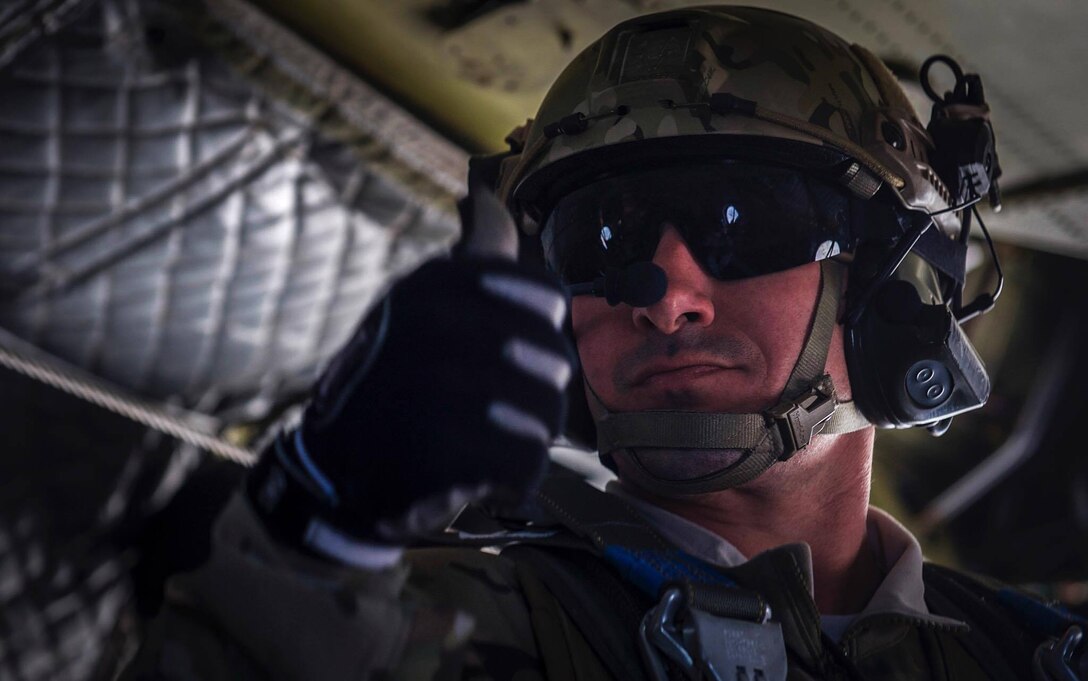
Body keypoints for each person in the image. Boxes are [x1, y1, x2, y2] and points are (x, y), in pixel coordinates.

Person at [124, 6, 1086, 680]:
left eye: (739, 222)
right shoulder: (439, 629)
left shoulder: (1032, 651)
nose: (666, 297)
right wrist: (316, 527)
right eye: (604, 240)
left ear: (887, 282)